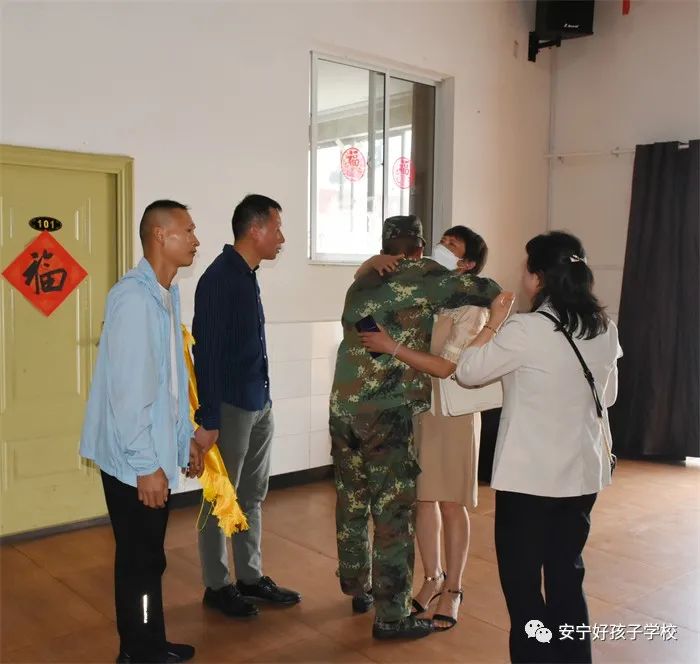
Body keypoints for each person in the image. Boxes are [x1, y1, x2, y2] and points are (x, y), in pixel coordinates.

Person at [330, 214, 501, 640]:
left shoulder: (364, 279)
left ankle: (357, 586)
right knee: (393, 515)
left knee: (352, 503)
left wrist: (371, 261)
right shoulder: (426, 278)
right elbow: (493, 290)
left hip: (345, 409)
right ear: (421, 248)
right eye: (440, 243)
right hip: (387, 413)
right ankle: (391, 616)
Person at [457, 231, 621, 663]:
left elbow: (468, 372)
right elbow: (608, 396)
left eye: (526, 268)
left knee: (524, 589)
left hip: (529, 482)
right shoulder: (604, 326)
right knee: (567, 577)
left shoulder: (525, 329)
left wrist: (493, 321)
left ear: (539, 277)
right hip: (582, 476)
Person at [80, 200, 204, 663]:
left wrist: (184, 437)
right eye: (187, 230)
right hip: (134, 459)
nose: (195, 240)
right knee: (141, 559)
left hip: (151, 452)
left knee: (148, 556)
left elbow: (169, 381)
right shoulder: (134, 299)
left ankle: (149, 643)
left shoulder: (165, 294)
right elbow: (129, 394)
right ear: (159, 235)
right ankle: (138, 652)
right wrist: (146, 466)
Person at [192, 194, 301, 619]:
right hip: (231, 408)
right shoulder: (220, 279)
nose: (282, 238)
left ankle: (250, 578)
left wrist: (266, 400)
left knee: (251, 496)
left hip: (258, 404)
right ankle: (217, 585)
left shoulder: (246, 275)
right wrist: (209, 418)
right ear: (255, 230)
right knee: (219, 496)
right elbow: (206, 353)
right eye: (277, 228)